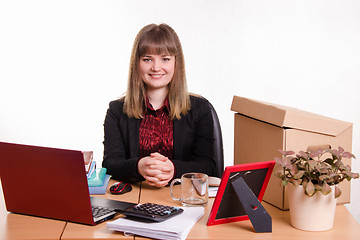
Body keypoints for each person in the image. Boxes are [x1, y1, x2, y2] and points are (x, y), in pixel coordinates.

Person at [102, 23, 218, 187]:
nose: (156, 67)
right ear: (137, 63)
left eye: (165, 59)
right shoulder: (116, 111)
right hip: (135, 198)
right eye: (147, 59)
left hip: (182, 197)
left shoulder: (201, 108)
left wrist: (174, 168)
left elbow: (209, 166)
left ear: (176, 63)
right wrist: (139, 166)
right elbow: (110, 164)